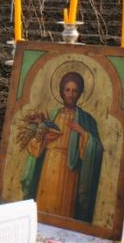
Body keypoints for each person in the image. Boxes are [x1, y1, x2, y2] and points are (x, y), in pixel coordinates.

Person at [20, 72, 104, 222]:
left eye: (75, 91)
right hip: (48, 166)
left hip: (70, 169)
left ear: (80, 94)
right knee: (44, 204)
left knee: (65, 209)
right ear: (61, 91)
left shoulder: (87, 119)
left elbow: (97, 148)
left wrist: (83, 133)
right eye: (67, 90)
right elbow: (34, 147)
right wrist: (42, 138)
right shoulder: (51, 115)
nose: (71, 94)